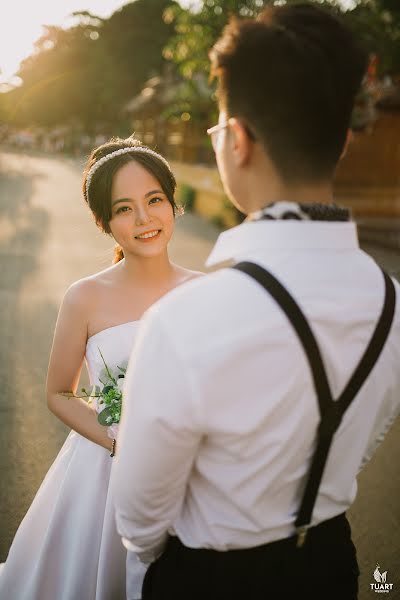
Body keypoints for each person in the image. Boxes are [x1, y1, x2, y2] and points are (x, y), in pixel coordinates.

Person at [112, 5, 400, 600]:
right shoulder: (394, 302)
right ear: (344, 140)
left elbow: (140, 521)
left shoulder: (185, 318)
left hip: (212, 578)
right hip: (331, 567)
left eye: (217, 129)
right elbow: (359, 438)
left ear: (237, 140)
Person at [0, 137, 202, 600]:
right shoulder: (85, 297)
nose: (145, 219)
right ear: (104, 222)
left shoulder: (208, 292)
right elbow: (58, 393)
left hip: (190, 471)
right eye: (124, 209)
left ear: (174, 203)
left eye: (154, 201)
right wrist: (120, 439)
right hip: (105, 471)